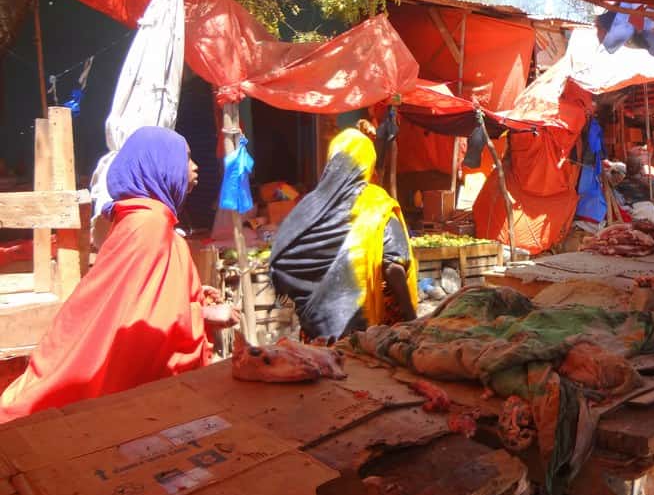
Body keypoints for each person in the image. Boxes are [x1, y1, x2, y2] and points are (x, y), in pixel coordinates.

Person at [0, 127, 235, 423]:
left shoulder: (140, 220)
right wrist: (205, 315)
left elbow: (144, 299)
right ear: (159, 165)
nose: (194, 166)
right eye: (186, 158)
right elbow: (144, 327)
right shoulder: (148, 225)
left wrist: (197, 298)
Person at [269, 128, 418, 344]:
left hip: (317, 336)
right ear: (368, 164)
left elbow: (280, 261)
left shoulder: (310, 205)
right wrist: (411, 319)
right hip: (366, 335)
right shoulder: (375, 202)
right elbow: (393, 266)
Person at [615, 153, 654, 222]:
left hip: (633, 217)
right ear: (641, 167)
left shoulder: (619, 186)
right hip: (651, 214)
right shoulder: (652, 181)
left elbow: (620, 203)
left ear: (627, 168)